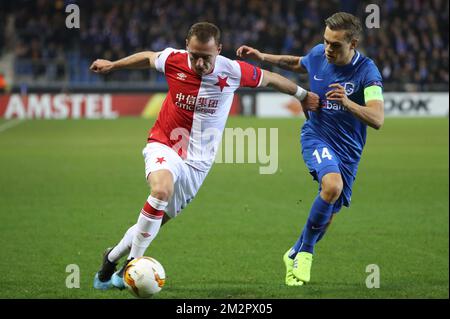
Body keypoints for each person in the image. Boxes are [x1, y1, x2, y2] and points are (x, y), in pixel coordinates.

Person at [89, 22, 320, 290]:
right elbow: (149, 57)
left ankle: (111, 258)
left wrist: (302, 95)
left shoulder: (231, 70)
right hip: (166, 143)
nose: (199, 63)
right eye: (194, 55)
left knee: (155, 220)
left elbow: (270, 78)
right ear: (187, 47)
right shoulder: (174, 60)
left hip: (198, 163)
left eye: (206, 57)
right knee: (161, 192)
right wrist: (113, 65)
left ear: (219, 50)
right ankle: (133, 264)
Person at [237, 12, 385, 286]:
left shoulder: (367, 71)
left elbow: (377, 119)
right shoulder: (319, 53)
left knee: (329, 212)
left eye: (336, 45)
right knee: (331, 186)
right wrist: (262, 56)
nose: (328, 48)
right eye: (326, 41)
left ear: (353, 43)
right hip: (316, 135)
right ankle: (306, 252)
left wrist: (348, 103)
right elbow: (296, 63)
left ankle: (294, 251)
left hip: (349, 150)